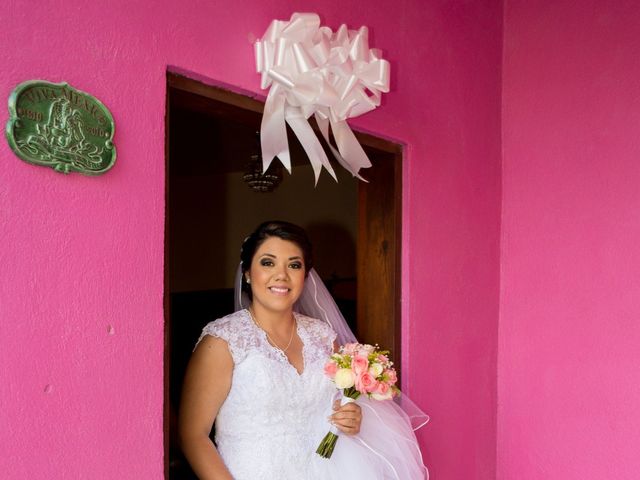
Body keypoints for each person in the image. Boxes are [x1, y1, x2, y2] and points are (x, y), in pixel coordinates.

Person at [179, 221, 428, 479]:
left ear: (305, 275)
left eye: (294, 265)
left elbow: (335, 409)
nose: (281, 275)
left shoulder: (322, 336)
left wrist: (351, 419)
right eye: (268, 262)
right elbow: (193, 435)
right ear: (248, 273)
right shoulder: (222, 340)